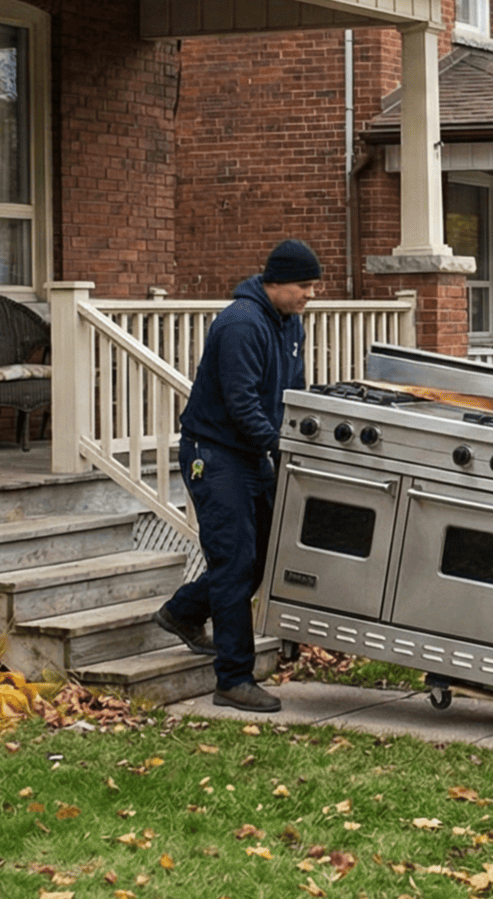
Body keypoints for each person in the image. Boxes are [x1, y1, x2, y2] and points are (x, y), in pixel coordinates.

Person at [154, 239, 321, 712]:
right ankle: (233, 678)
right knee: (234, 561)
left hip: (250, 454)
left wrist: (302, 436)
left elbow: (294, 390)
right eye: (304, 285)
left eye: (313, 285)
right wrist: (278, 446)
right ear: (277, 281)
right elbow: (241, 401)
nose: (311, 294)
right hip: (216, 454)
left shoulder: (289, 324)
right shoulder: (241, 324)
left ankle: (183, 612)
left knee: (267, 554)